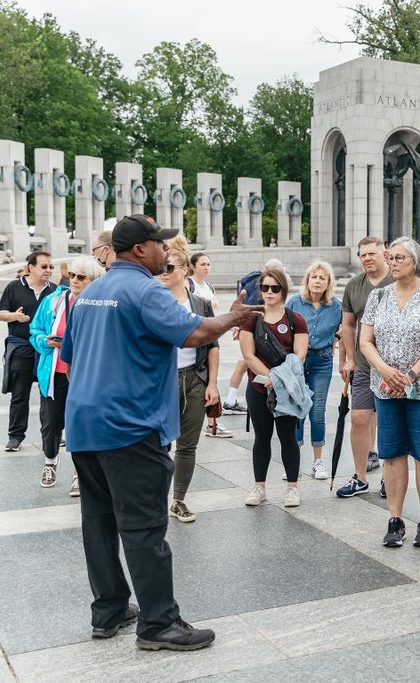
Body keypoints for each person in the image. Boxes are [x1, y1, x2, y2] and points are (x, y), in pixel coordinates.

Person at [61, 214, 262, 651]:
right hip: (131, 428)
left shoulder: (90, 293)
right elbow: (195, 333)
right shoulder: (145, 290)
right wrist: (234, 315)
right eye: (160, 244)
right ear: (139, 250)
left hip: (85, 424)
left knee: (98, 522)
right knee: (144, 527)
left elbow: (71, 360)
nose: (166, 251)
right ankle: (158, 623)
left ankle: (109, 610)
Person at [360, 237, 420, 548]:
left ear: (416, 261)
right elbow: (365, 341)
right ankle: (395, 519)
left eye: (400, 257)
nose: (394, 262)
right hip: (386, 388)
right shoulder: (378, 296)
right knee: (392, 454)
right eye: (391, 257)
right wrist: (385, 371)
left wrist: (410, 375)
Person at [28, 257, 104, 495]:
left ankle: (79, 474)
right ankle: (50, 461)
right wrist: (45, 341)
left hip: (85, 375)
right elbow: (35, 330)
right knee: (51, 423)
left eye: (81, 277)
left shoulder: (100, 306)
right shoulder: (54, 300)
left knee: (80, 424)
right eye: (72, 275)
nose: (74, 280)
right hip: (55, 373)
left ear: (94, 281)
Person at [161, 237, 221, 523]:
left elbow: (213, 345)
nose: (163, 272)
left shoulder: (201, 304)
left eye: (169, 267)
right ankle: (154, 498)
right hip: (161, 382)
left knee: (187, 444)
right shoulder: (154, 301)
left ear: (185, 269)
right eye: (161, 267)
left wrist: (213, 383)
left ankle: (178, 500)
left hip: (194, 378)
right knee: (158, 444)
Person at [239, 268, 309, 508]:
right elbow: (248, 355)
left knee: (288, 438)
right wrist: (270, 377)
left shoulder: (295, 320)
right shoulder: (251, 319)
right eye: (265, 288)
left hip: (286, 391)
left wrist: (278, 379)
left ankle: (292, 488)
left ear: (283, 290)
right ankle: (259, 487)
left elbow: (299, 355)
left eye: (274, 288)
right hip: (258, 387)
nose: (269, 292)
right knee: (262, 437)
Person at [337, 236, 393, 497]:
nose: (367, 258)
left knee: (390, 421)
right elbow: (348, 324)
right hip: (362, 364)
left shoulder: (396, 281)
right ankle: (360, 477)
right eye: (363, 255)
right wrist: (348, 358)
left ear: (385, 254)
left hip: (392, 367)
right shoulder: (354, 285)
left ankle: (389, 478)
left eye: (372, 253)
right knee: (359, 419)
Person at [287, 260, 342, 480]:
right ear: (307, 280)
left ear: (328, 283)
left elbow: (348, 327)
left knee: (318, 411)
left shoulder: (336, 306)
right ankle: (294, 461)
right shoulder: (294, 302)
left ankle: (318, 462)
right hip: (297, 361)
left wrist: (335, 339)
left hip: (322, 361)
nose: (317, 281)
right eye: (314, 277)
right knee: (297, 410)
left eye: (322, 278)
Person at [0, 250, 57, 452]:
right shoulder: (14, 287)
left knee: (47, 394)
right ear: (31, 267)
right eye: (44, 266)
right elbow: (0, 314)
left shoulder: (55, 291)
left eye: (51, 267)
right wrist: (14, 316)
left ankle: (50, 435)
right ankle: (15, 437)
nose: (48, 270)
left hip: (46, 349)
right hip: (21, 348)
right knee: (19, 394)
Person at [223, 259, 290, 414]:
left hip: (250, 330)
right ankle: (230, 401)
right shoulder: (259, 285)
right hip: (253, 332)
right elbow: (252, 309)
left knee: (244, 365)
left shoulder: (252, 280)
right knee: (244, 364)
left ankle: (231, 400)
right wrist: (242, 328)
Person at [187, 252, 231, 438]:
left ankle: (213, 423)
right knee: (203, 378)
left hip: (209, 335)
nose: (206, 267)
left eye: (208, 264)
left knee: (211, 377)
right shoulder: (189, 284)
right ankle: (211, 423)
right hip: (196, 336)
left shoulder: (209, 286)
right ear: (193, 266)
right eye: (203, 264)